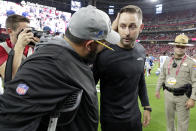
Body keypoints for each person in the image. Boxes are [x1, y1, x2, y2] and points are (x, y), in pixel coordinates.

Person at [0, 5, 120, 131]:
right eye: (104, 43)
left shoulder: (71, 54)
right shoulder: (48, 65)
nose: (105, 46)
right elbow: (8, 117)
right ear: (89, 45)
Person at [93, 5, 151, 131]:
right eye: (123, 26)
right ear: (116, 27)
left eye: (132, 26)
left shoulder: (141, 51)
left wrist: (146, 106)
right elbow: (88, 86)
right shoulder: (104, 54)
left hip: (135, 119)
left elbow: (140, 80)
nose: (127, 33)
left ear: (141, 27)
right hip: (111, 122)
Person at [155, 34, 196, 131]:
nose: (180, 48)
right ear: (174, 46)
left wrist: (193, 99)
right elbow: (162, 76)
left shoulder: (192, 63)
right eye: (178, 46)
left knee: (182, 123)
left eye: (183, 46)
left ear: (186, 48)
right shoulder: (167, 61)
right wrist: (157, 89)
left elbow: (195, 82)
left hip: (183, 97)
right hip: (168, 95)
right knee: (169, 121)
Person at [0, 14, 39, 80]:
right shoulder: (2, 48)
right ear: (10, 31)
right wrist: (20, 45)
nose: (27, 34)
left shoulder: (31, 47)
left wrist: (41, 48)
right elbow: (10, 78)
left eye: (28, 31)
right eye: (23, 31)